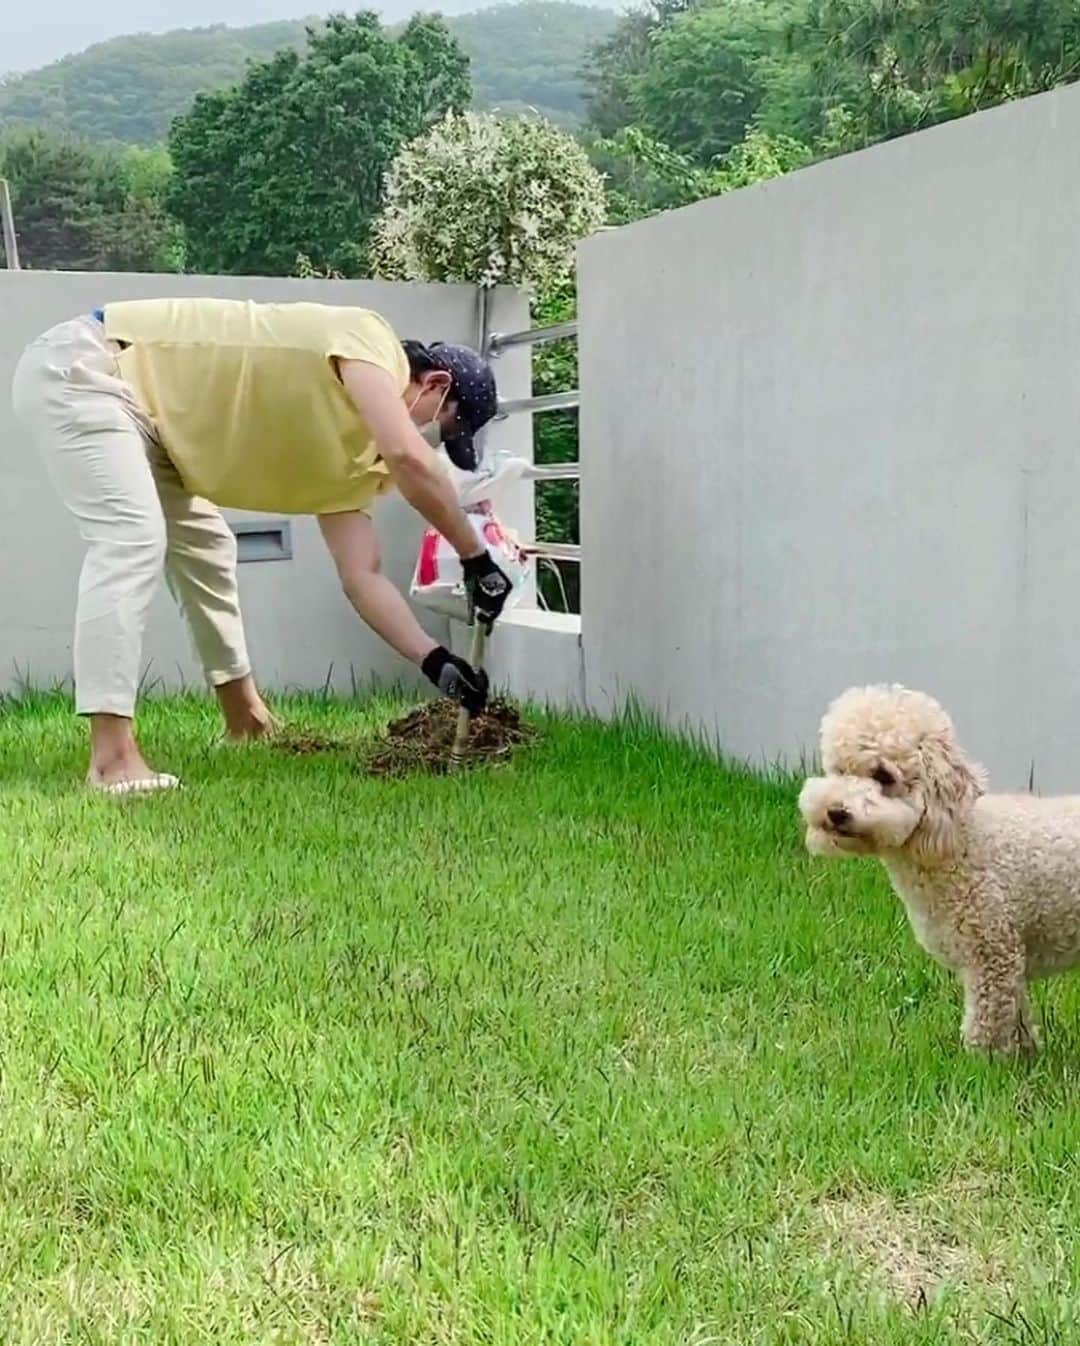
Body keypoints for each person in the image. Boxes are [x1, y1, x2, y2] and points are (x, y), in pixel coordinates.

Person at [11, 297, 513, 794]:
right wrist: (475, 556)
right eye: (437, 425)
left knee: (207, 545)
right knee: (132, 538)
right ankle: (112, 760)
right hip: (88, 365)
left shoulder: (359, 462)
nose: (426, 439)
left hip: (155, 424)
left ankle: (245, 719)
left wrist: (435, 660)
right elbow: (410, 458)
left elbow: (362, 577)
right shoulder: (369, 340)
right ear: (434, 383)